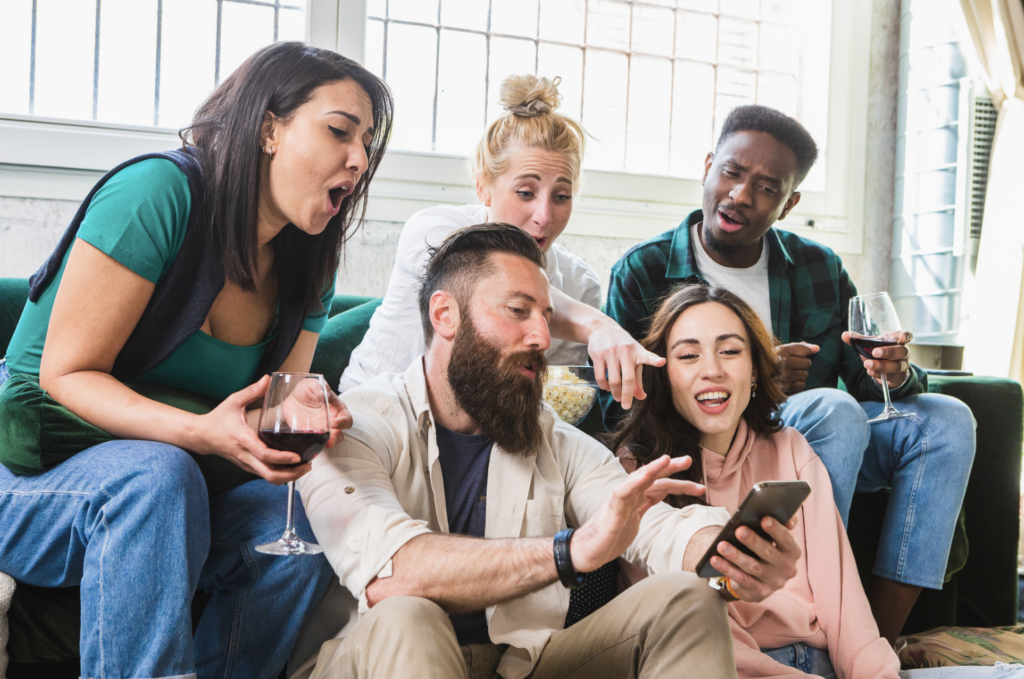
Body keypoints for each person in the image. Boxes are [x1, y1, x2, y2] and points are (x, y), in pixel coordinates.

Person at [0, 42, 392, 679]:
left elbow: (280, 393)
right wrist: (202, 431)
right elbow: (63, 374)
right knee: (158, 476)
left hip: (180, 487)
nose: (359, 158)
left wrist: (308, 407)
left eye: (368, 143)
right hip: (34, 471)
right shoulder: (158, 192)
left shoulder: (309, 259)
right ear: (270, 128)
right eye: (339, 131)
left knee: (304, 531)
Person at [297, 224, 804, 679]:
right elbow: (394, 574)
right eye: (518, 312)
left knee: (690, 599)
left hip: (520, 665)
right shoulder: (354, 423)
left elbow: (651, 526)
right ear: (445, 314)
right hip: (378, 657)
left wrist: (728, 552)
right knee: (409, 612)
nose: (542, 336)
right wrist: (569, 552)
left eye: (545, 316)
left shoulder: (553, 439)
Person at [604, 104, 977, 643]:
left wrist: (892, 373)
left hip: (826, 433)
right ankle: (815, 612)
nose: (739, 195)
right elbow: (620, 401)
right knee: (835, 408)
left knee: (947, 418)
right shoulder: (644, 269)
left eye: (766, 187)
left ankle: (877, 635)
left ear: (788, 203)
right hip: (727, 438)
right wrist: (750, 372)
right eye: (731, 173)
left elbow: (866, 373)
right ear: (708, 167)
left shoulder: (818, 266)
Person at [614, 284, 1019, 679]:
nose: (712, 370)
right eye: (688, 355)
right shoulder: (640, 470)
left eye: (731, 351)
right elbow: (705, 645)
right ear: (663, 375)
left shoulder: (789, 446)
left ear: (756, 368)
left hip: (822, 660)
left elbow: (841, 597)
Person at [340, 73, 662, 409]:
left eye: (562, 196)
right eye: (525, 192)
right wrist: (596, 324)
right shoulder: (433, 230)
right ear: (483, 188)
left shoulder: (579, 283)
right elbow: (488, 281)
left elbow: (553, 401)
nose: (544, 215)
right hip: (373, 414)